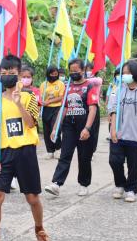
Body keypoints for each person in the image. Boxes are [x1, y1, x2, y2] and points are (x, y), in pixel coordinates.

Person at [0, 55, 51, 241]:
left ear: (19, 75)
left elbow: (31, 124)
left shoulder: (30, 98)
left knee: (32, 197)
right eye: (4, 73)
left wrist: (18, 103)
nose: (7, 76)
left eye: (12, 73)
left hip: (25, 152)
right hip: (4, 154)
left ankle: (40, 230)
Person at [44, 58, 100, 197]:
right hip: (69, 125)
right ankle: (56, 183)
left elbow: (93, 108)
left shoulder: (90, 86)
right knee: (65, 154)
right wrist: (56, 127)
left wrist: (87, 128)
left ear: (83, 70)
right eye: (71, 71)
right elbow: (63, 108)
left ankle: (84, 184)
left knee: (84, 157)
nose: (73, 73)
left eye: (76, 70)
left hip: (84, 124)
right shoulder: (67, 86)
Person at [108, 61, 137, 203]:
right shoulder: (118, 90)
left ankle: (131, 189)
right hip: (118, 134)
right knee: (114, 161)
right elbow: (113, 110)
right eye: (124, 73)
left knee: (134, 165)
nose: (125, 75)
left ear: (135, 73)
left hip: (135, 136)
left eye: (128, 73)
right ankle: (120, 184)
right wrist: (113, 130)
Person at [39, 66, 65, 160]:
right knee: (46, 131)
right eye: (52, 74)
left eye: (56, 74)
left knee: (55, 129)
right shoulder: (43, 84)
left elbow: (61, 97)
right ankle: (50, 151)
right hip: (46, 109)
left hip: (57, 108)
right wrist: (42, 102)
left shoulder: (61, 84)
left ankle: (58, 149)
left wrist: (50, 101)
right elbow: (41, 97)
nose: (54, 75)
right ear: (48, 74)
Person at [85, 63, 102, 156]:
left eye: (91, 69)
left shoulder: (98, 80)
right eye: (87, 70)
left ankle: (92, 150)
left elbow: (93, 81)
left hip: (94, 106)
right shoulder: (84, 80)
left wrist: (84, 79)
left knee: (94, 130)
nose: (89, 72)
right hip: (85, 108)